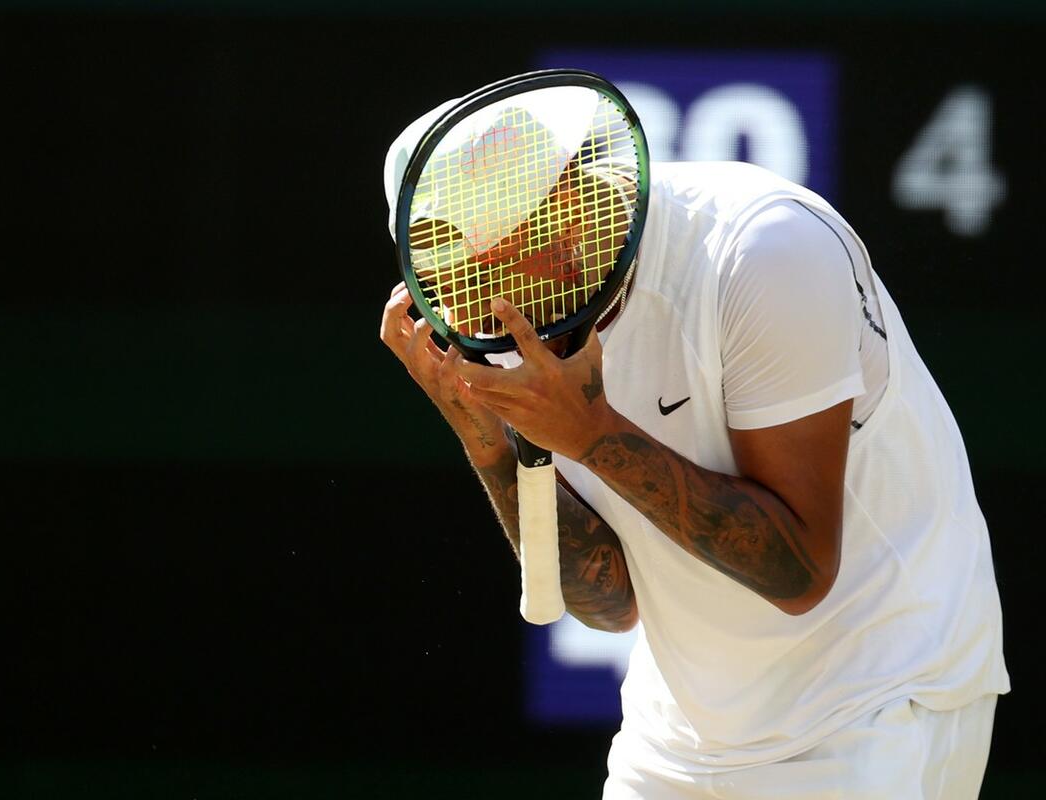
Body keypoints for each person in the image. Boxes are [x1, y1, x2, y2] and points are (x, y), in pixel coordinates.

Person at [378, 81, 1010, 799]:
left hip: (878, 705)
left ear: (569, 196)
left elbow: (801, 570)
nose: (489, 296)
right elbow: (611, 604)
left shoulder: (767, 250)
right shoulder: (508, 317)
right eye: (464, 274)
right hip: (677, 736)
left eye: (511, 249)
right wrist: (488, 440)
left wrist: (589, 434)